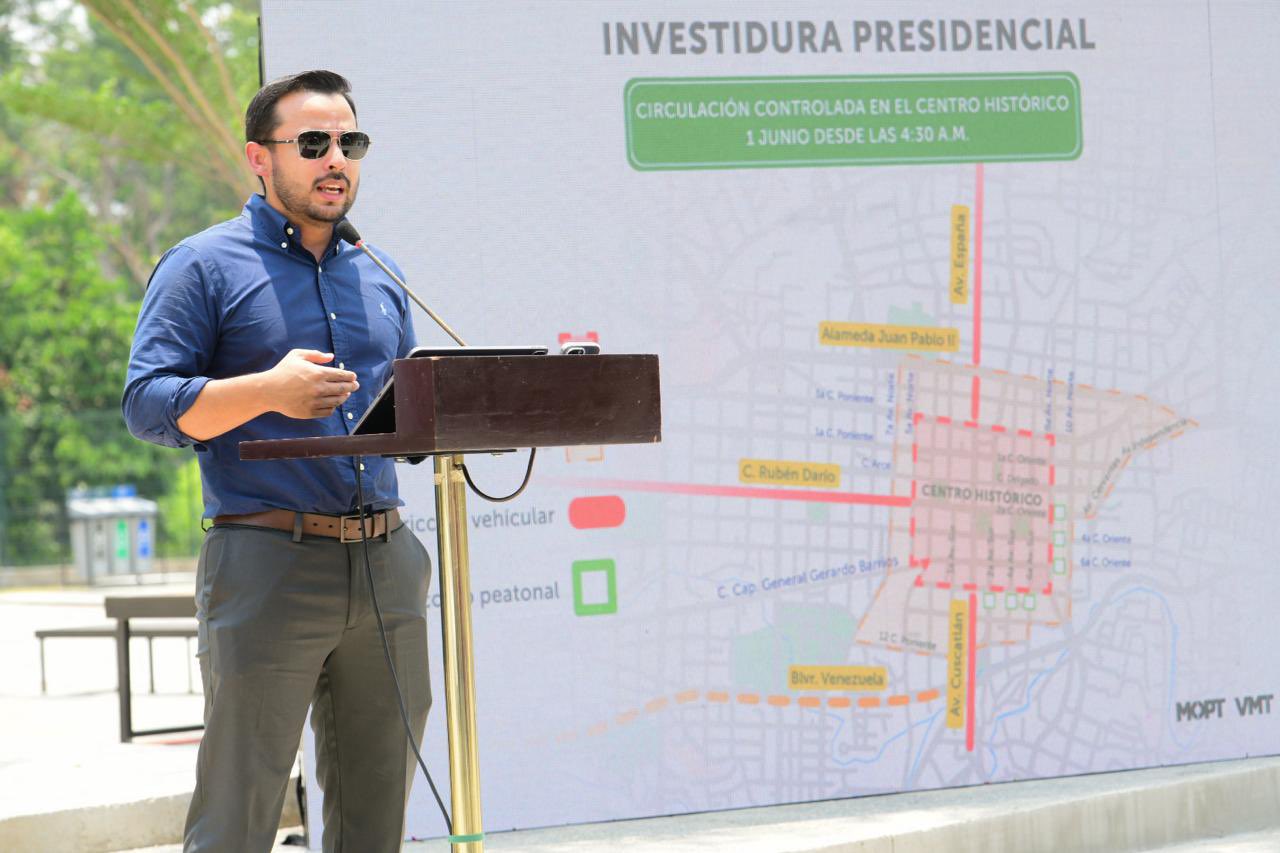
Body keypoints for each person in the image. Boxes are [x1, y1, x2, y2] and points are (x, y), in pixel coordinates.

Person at [123, 69, 432, 853]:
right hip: (267, 560)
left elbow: (410, 408)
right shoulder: (202, 265)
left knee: (376, 817)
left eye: (351, 143)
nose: (336, 159)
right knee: (238, 813)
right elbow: (147, 402)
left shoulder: (381, 271)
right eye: (314, 142)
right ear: (259, 157)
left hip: (387, 562)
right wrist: (267, 390)